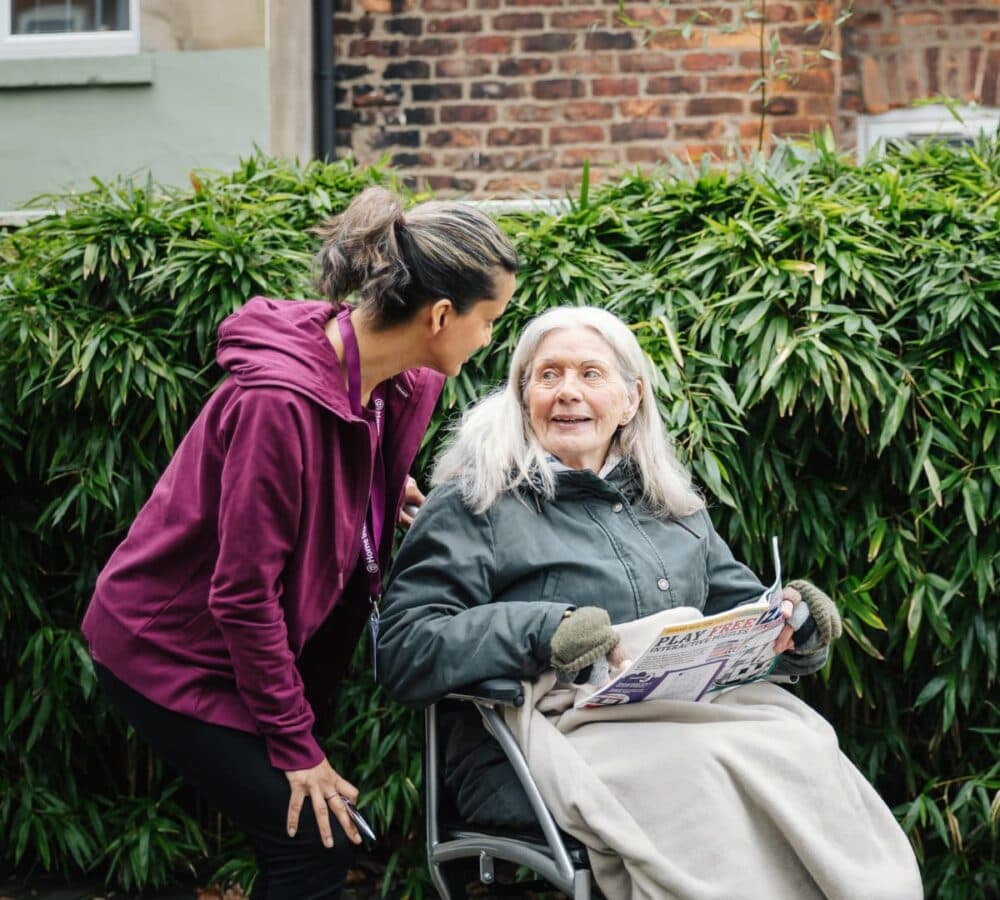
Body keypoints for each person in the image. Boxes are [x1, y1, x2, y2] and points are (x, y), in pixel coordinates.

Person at [376, 306, 922, 898]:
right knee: (699, 769)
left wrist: (796, 622)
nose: (568, 393)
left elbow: (748, 616)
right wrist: (543, 629)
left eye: (590, 374)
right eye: (548, 375)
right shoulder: (474, 503)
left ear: (631, 399)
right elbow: (405, 648)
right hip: (535, 741)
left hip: (690, 719)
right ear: (522, 394)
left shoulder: (672, 508)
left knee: (804, 745)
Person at [81, 186, 518, 900]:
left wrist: (376, 488)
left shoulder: (403, 383)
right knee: (311, 847)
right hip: (166, 649)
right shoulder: (276, 404)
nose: (490, 339)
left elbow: (344, 444)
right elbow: (243, 592)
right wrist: (295, 747)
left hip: (249, 649)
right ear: (441, 315)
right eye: (489, 320)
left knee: (305, 845)